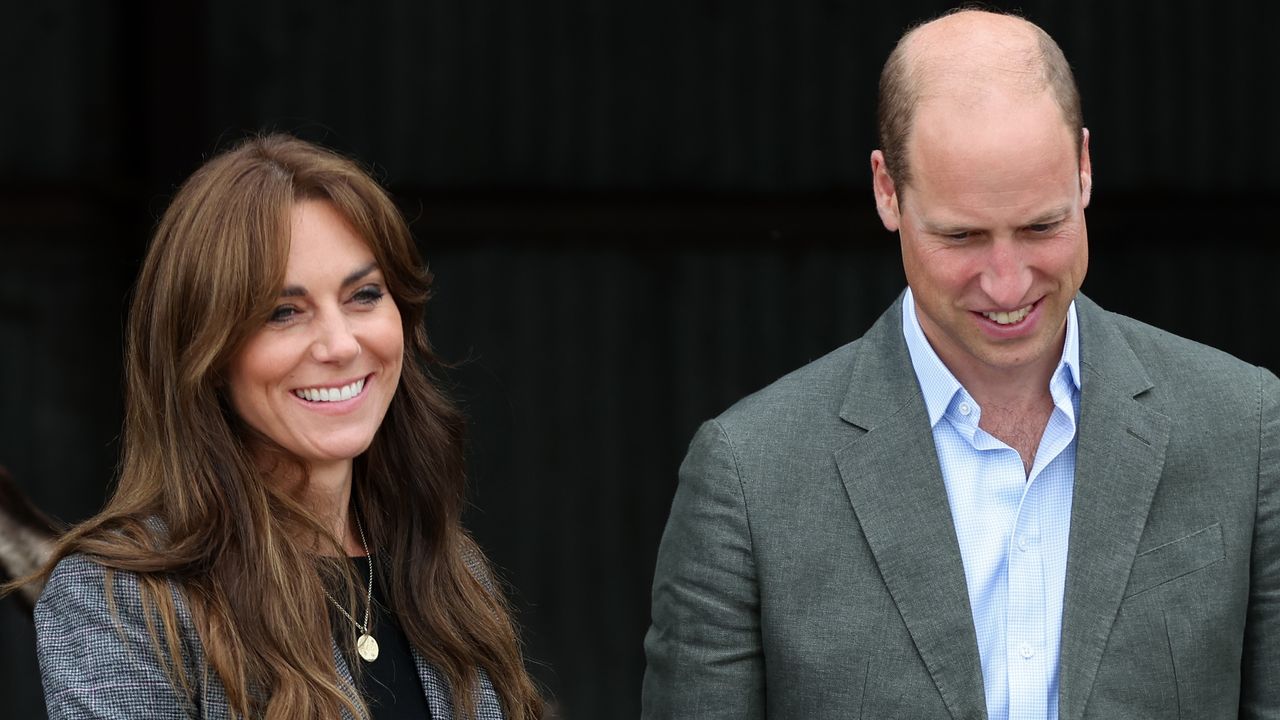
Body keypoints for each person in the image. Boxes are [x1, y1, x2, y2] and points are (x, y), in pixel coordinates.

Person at [642, 8, 1279, 720]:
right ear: (888, 191)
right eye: (962, 236)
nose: (1008, 284)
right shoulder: (749, 475)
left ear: (1085, 169)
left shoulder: (1246, 428)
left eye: (1043, 226)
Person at [22, 134, 543, 719]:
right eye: (283, 312)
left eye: (364, 295)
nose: (341, 344)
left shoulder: (449, 572)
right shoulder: (120, 600)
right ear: (207, 353)